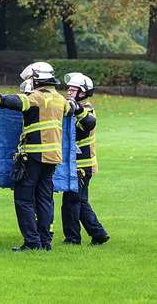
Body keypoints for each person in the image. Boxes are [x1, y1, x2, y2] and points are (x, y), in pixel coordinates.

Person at [0, 61, 74, 251]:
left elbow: (12, 101)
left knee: (24, 199)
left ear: (37, 79)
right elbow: (73, 109)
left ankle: (32, 242)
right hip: (53, 157)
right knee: (44, 198)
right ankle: (45, 241)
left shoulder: (37, 97)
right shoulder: (60, 99)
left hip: (34, 155)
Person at [61, 72, 109, 246]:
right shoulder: (71, 108)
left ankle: (73, 238)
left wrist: (77, 109)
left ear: (83, 92)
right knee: (79, 201)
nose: (69, 92)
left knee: (72, 202)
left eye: (73, 89)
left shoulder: (86, 110)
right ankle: (98, 234)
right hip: (76, 164)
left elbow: (87, 124)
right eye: (68, 89)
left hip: (82, 165)